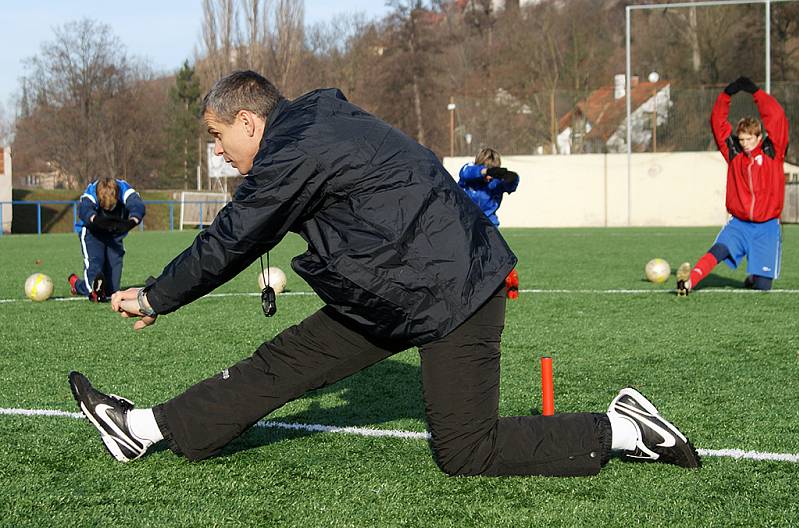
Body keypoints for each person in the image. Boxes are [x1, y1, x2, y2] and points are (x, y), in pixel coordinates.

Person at [68, 70, 699, 475]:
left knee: (466, 452)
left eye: (217, 135)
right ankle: (141, 428)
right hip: (394, 286)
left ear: (250, 122)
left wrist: (154, 296)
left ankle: (623, 428)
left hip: (453, 289)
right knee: (282, 363)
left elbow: (230, 240)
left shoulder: (292, 153)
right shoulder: (315, 120)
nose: (216, 150)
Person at [677, 76, 788, 296]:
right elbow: (718, 124)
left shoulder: (773, 152)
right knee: (718, 250)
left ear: (759, 137)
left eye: (749, 139)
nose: (744, 144)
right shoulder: (734, 154)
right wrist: (726, 95)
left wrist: (756, 93)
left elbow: (777, 118)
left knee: (762, 288)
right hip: (739, 224)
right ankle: (688, 283)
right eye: (742, 139)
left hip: (767, 227)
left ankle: (755, 276)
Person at [68, 178, 145, 302]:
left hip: (113, 235)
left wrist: (132, 221)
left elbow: (137, 205)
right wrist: (97, 220)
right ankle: (92, 290)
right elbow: (85, 209)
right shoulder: (91, 192)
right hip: (92, 233)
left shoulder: (124, 189)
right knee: (96, 263)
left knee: (112, 290)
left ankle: (77, 284)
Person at [458, 148, 520, 298]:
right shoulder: (468, 175)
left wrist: (510, 177)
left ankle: (509, 284)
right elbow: (465, 172)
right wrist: (485, 172)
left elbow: (512, 183)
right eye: (487, 168)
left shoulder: (496, 184)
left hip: (489, 225)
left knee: (496, 257)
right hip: (465, 224)